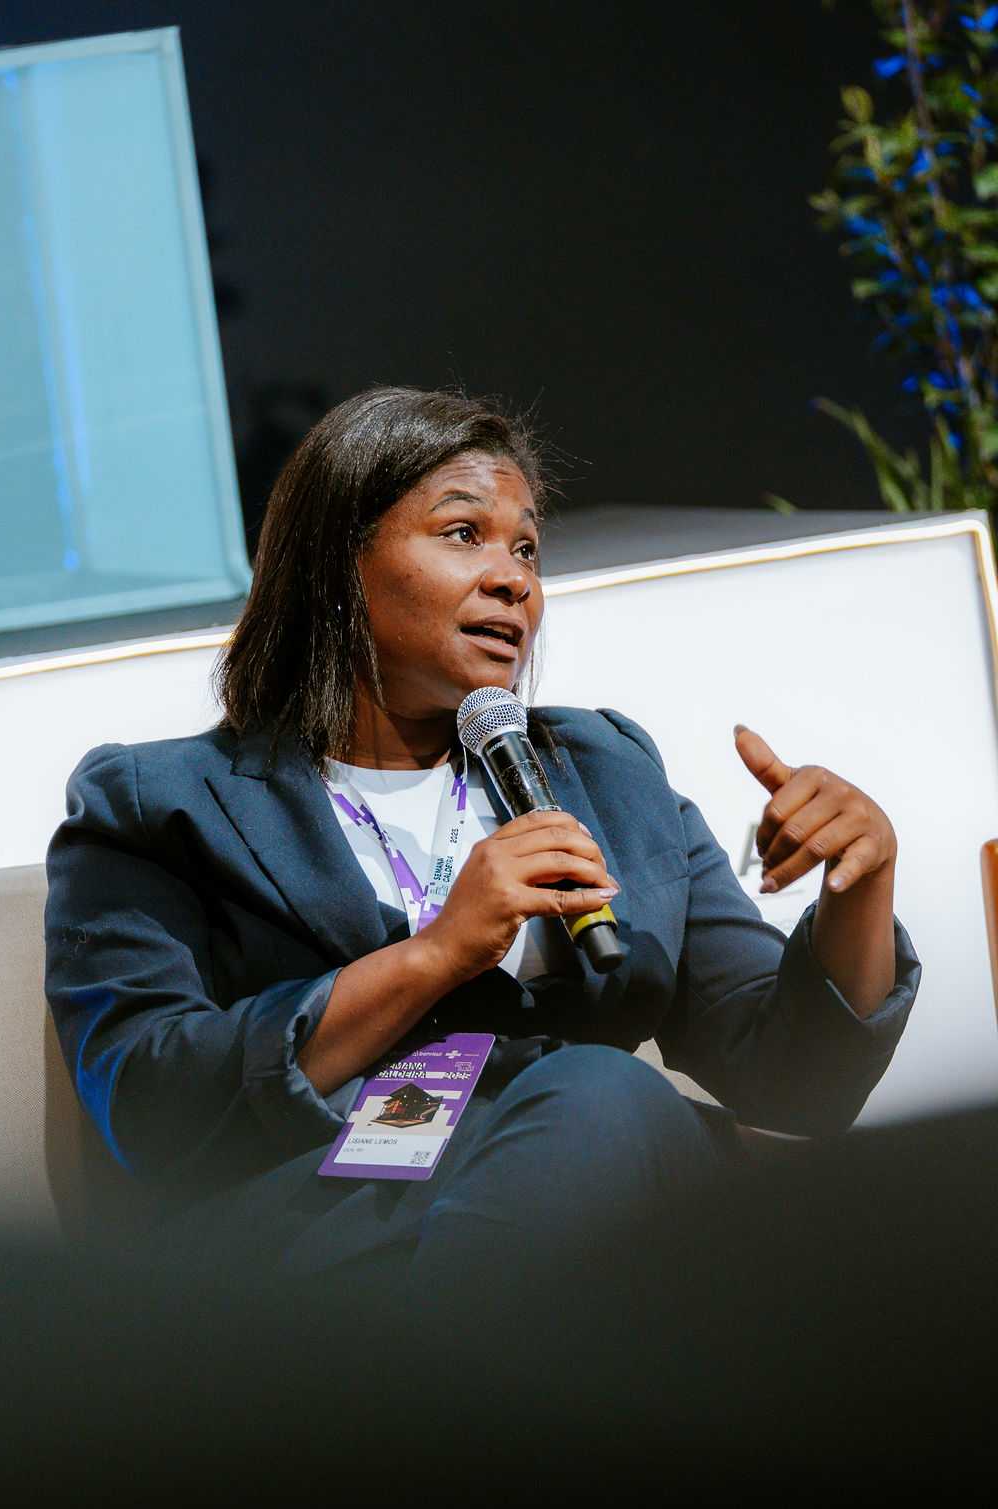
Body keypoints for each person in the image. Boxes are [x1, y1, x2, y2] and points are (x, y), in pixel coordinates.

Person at [44, 385, 920, 1298]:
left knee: (822, 1196)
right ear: (335, 564)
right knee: (605, 1097)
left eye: (527, 548)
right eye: (464, 534)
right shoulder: (160, 802)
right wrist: (437, 954)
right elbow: (147, 1102)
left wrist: (860, 887)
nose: (514, 580)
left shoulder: (607, 774)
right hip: (322, 1243)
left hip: (583, 1194)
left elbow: (796, 1082)